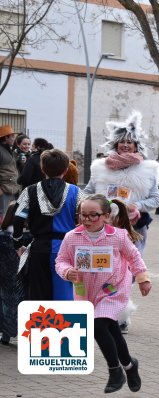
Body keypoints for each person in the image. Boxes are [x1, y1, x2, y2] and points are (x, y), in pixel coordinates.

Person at [55, 194, 151, 394]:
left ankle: (114, 371)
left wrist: (143, 278)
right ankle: (130, 366)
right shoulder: (72, 237)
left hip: (113, 289)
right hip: (86, 290)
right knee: (112, 329)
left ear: (106, 216)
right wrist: (67, 270)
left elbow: (134, 257)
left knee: (97, 325)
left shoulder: (118, 236)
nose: (87, 220)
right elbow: (61, 260)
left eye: (93, 215)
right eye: (83, 215)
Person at [83, 111, 159, 255]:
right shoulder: (100, 168)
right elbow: (87, 193)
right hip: (104, 225)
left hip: (135, 227)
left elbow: (156, 199)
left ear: (136, 146)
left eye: (129, 142)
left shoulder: (148, 170)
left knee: (131, 266)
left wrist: (137, 205)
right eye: (122, 142)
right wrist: (95, 207)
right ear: (116, 144)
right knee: (107, 266)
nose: (125, 145)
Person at [12, 149, 81, 300]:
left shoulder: (29, 191)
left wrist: (17, 244)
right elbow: (84, 217)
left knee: (38, 296)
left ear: (42, 169)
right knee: (64, 295)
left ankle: (41, 324)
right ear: (66, 169)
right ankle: (64, 323)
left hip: (38, 249)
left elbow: (18, 218)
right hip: (66, 249)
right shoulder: (76, 192)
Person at [0, 201, 23, 345]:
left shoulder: (3, 234)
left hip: (5, 275)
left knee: (5, 302)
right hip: (21, 277)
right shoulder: (27, 236)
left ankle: (6, 335)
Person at [0, 125, 20, 224]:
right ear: (5, 137)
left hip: (12, 188)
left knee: (8, 216)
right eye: (12, 136)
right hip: (4, 189)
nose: (14, 138)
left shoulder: (8, 149)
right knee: (2, 216)